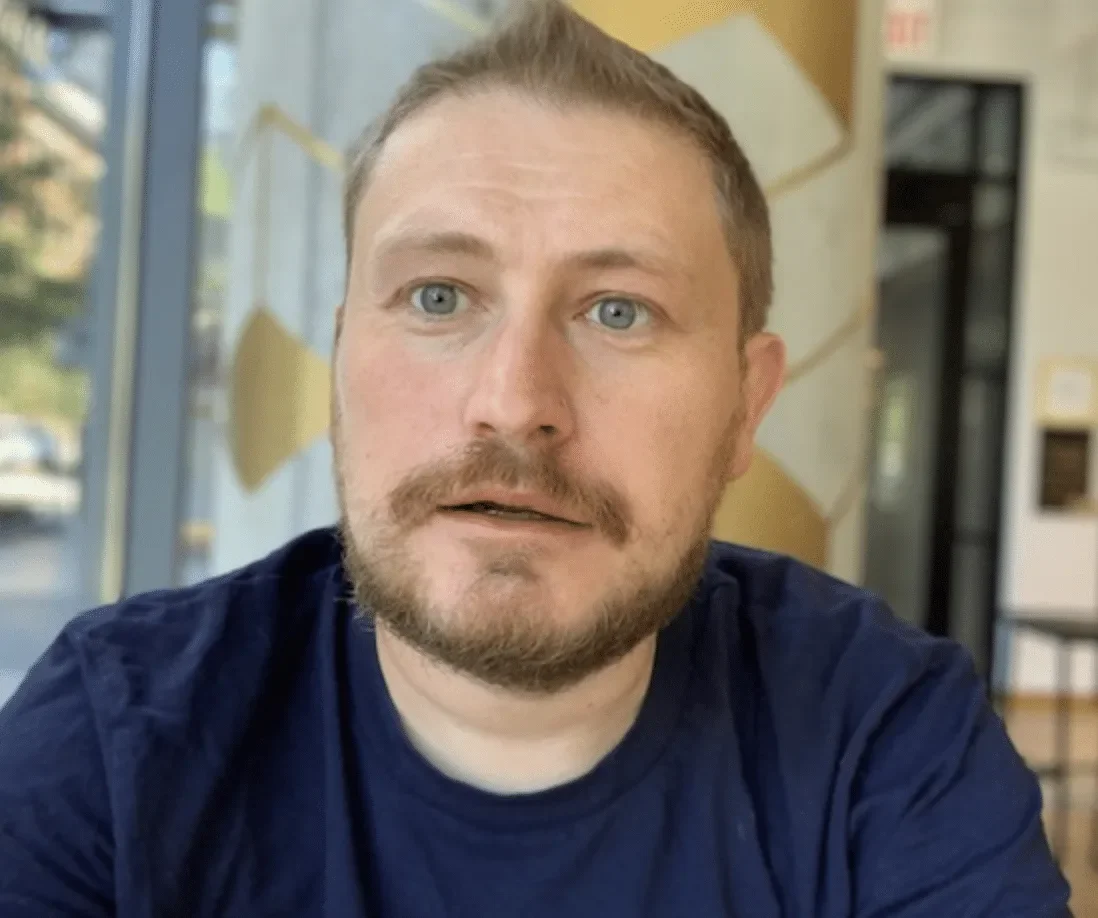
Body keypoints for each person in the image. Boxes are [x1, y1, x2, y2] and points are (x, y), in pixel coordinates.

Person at [0, 1, 1071, 915]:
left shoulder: (883, 737)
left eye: (618, 311)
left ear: (745, 407)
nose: (513, 402)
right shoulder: (115, 742)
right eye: (437, 297)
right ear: (338, 363)